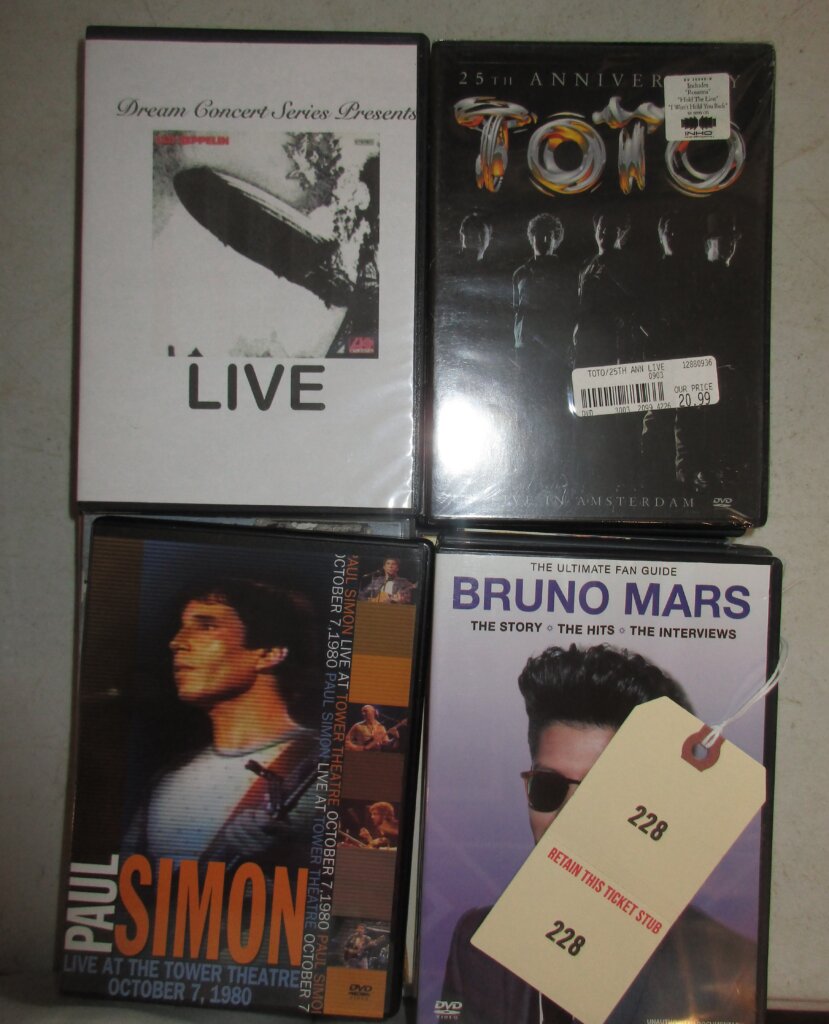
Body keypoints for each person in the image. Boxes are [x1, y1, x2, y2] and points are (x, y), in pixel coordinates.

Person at [442, 644, 758, 1024]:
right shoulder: (477, 944)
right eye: (548, 788)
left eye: (600, 792)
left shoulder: (725, 970)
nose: (567, 821)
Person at [123, 578, 319, 871]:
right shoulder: (166, 780)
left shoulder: (325, 766)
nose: (176, 642)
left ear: (268, 653)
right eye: (182, 626)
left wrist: (292, 857)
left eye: (206, 626)